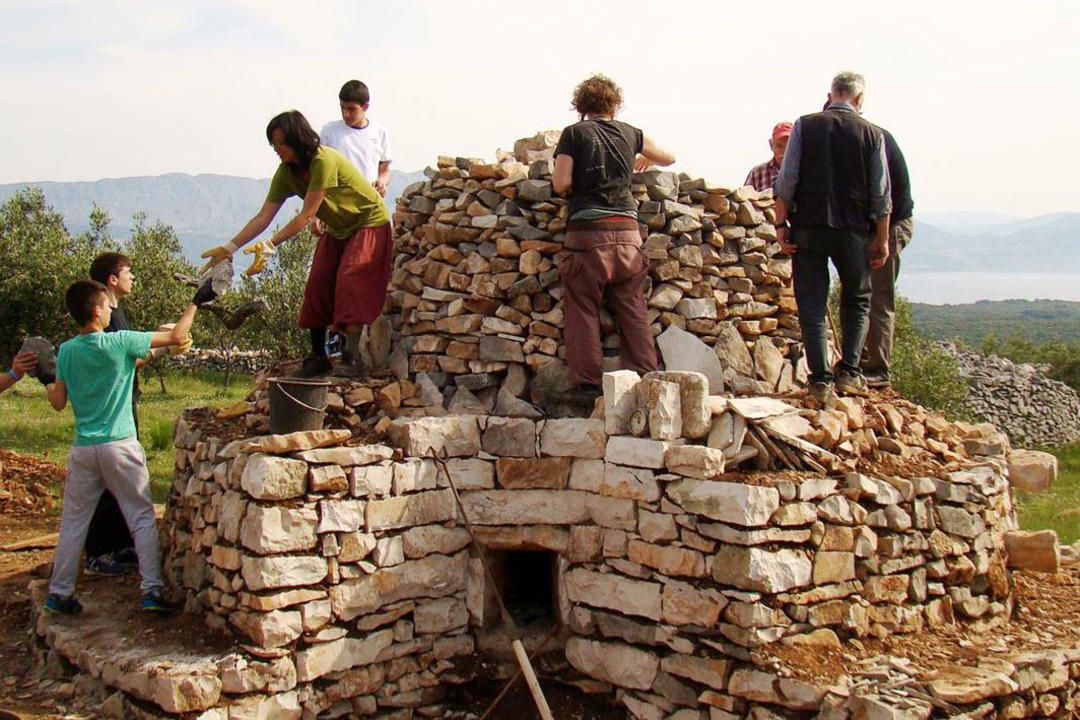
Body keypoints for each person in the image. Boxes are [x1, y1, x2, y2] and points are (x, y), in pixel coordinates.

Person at [42, 280, 196, 615]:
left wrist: (44, 377)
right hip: (120, 444)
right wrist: (196, 303)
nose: (113, 309)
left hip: (83, 448)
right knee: (141, 517)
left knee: (73, 523)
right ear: (96, 310)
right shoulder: (120, 342)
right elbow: (175, 337)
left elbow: (57, 401)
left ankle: (60, 592)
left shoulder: (66, 350)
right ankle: (151, 590)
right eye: (107, 305)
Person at [200, 111, 392, 378]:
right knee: (318, 283)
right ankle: (318, 356)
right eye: (273, 145)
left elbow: (305, 215)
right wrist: (230, 247)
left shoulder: (323, 160)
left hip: (369, 222)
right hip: (338, 228)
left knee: (350, 280)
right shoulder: (286, 173)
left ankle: (352, 358)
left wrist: (270, 245)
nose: (277, 150)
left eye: (281, 143)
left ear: (296, 138)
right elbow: (263, 216)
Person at [552, 74, 676, 395]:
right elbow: (669, 156)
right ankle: (646, 379)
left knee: (582, 308)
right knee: (632, 305)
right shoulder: (631, 133)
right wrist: (644, 158)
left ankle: (589, 387)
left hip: (586, 236)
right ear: (614, 103)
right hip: (628, 235)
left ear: (581, 104)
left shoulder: (574, 134)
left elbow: (562, 183)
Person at [774, 71, 892, 402]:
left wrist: (781, 226)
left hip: (808, 226)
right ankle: (850, 374)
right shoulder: (871, 133)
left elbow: (787, 181)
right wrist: (881, 239)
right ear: (860, 99)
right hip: (854, 229)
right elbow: (881, 194)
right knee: (856, 299)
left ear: (831, 94)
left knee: (811, 303)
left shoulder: (805, 125)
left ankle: (820, 379)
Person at [861, 129, 914, 388]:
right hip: (873, 226)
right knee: (859, 292)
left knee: (878, 296)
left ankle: (879, 369)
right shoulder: (861, 136)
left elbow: (883, 197)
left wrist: (882, 239)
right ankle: (859, 361)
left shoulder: (871, 139)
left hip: (890, 225)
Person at [320, 80, 392, 196]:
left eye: (351, 109)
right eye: (342, 108)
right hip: (338, 203)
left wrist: (382, 182)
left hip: (369, 202)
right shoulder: (329, 131)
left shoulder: (379, 131)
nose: (345, 114)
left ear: (365, 106)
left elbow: (384, 168)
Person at [744, 122, 792, 192]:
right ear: (771, 145)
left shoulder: (804, 171)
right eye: (779, 146)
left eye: (788, 146)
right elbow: (745, 201)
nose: (784, 151)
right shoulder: (757, 173)